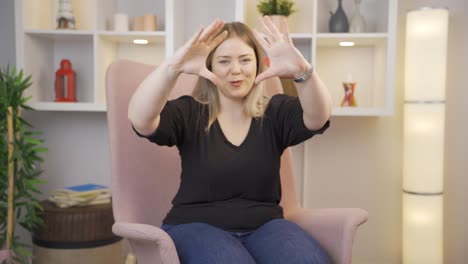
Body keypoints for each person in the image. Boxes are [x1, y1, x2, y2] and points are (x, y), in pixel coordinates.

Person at [128, 16, 332, 264]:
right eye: (224, 61)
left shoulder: (276, 112)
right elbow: (140, 119)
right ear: (210, 67)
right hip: (194, 225)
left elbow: (318, 118)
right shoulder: (189, 112)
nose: (236, 70)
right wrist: (173, 68)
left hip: (266, 226)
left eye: (245, 60)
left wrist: (303, 71)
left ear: (258, 64)